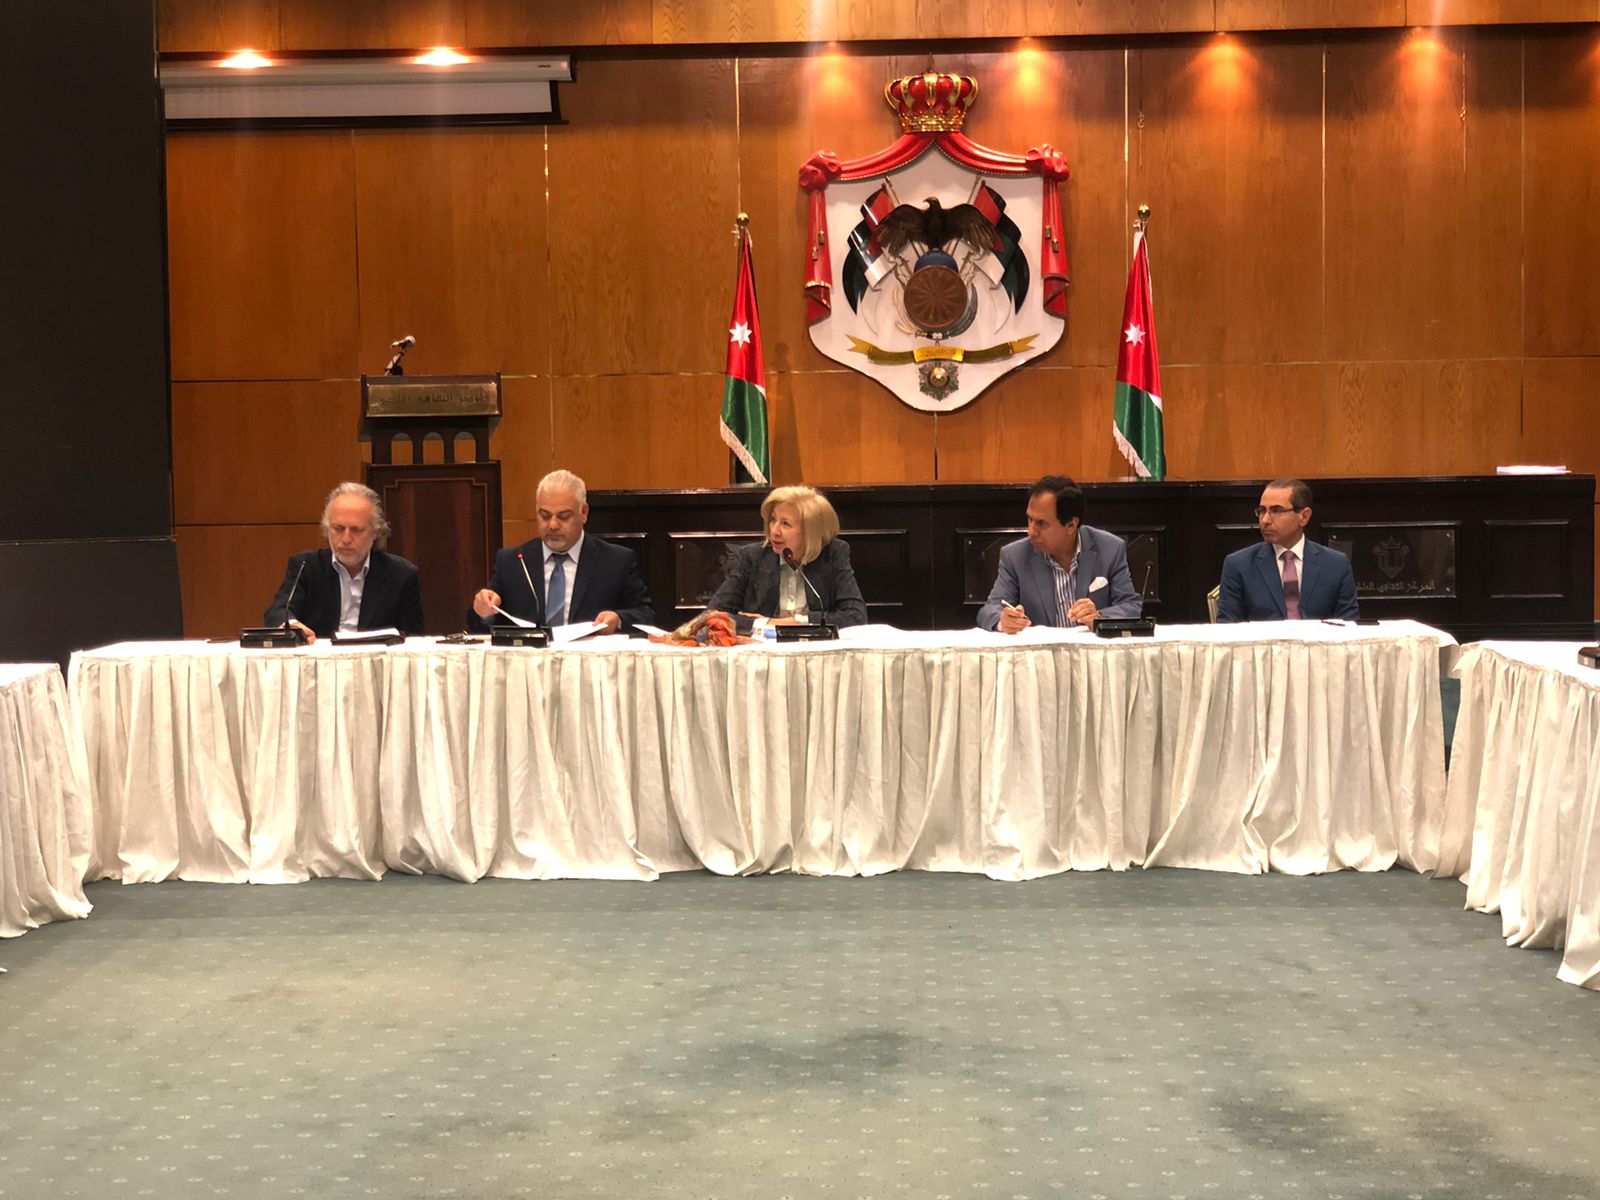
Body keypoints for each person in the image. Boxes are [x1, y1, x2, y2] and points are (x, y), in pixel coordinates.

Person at [471, 469, 655, 633]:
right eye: (544, 515)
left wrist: (618, 620)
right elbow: (478, 625)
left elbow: (647, 616)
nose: (552, 525)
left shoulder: (616, 561)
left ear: (584, 513)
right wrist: (483, 610)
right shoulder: (513, 562)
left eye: (564, 516)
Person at [976, 475, 1142, 633]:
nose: (1031, 532)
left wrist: (1099, 618)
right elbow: (989, 610)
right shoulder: (1015, 556)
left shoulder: (1110, 549)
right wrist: (1003, 620)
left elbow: (1131, 606)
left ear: (1071, 525)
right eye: (1029, 519)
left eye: (1041, 523)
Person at [264, 481, 424, 643]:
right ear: (327, 528)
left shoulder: (401, 574)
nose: (346, 539)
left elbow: (414, 639)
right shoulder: (305, 566)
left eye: (356, 530)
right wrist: (293, 626)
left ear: (375, 532)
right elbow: (278, 612)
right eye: (338, 529)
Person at [706, 485, 867, 630]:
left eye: (785, 524)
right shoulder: (753, 557)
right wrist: (766, 624)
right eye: (773, 520)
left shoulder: (833, 553)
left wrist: (795, 622)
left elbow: (856, 617)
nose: (774, 531)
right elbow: (712, 615)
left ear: (810, 531)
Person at [1217, 479, 1359, 622]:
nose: (1265, 520)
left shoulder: (1336, 565)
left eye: (1276, 511)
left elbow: (1348, 626)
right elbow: (1227, 627)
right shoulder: (1239, 565)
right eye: (1262, 511)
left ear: (1304, 517)